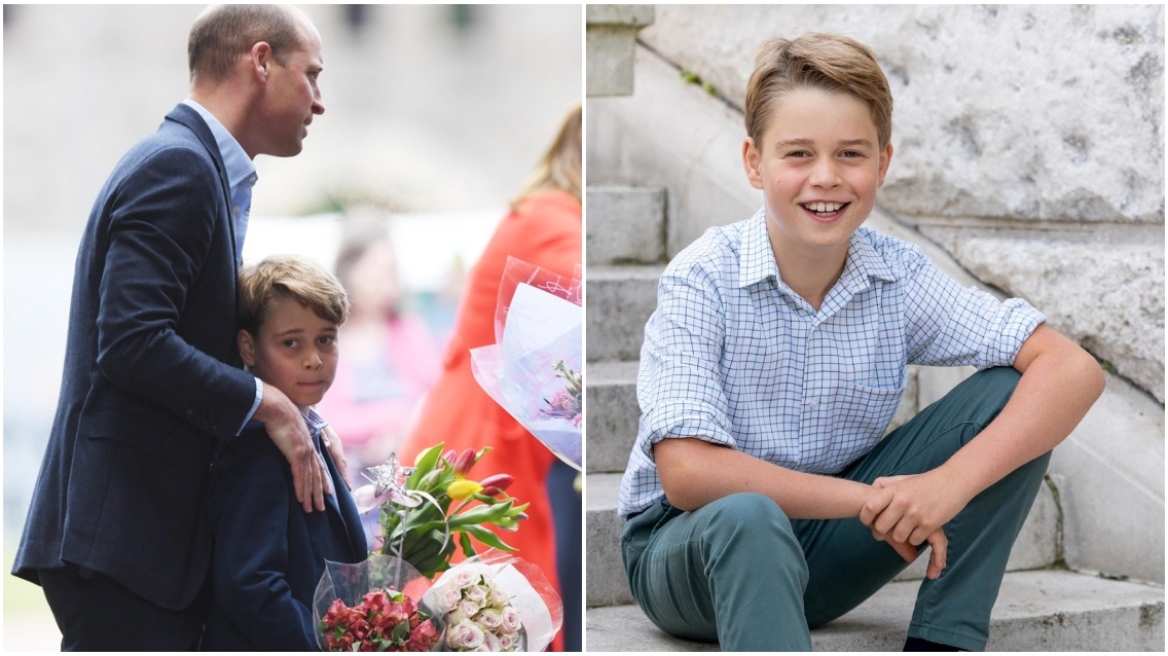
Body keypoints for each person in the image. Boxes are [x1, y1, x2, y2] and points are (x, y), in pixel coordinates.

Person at [618, 34, 1105, 652]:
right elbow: (687, 472)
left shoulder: (895, 276)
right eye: (798, 153)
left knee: (1016, 396)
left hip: (821, 551)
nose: (826, 177)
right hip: (690, 554)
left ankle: (944, 640)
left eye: (850, 153)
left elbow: (1073, 369)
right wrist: (871, 501)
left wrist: (946, 486)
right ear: (753, 162)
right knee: (749, 515)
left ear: (882, 162)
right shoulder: (703, 278)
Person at [12, 5, 343, 650]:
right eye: (311, 75)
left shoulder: (195, 167)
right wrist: (268, 404)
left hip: (142, 548)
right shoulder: (179, 168)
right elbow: (132, 340)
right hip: (125, 546)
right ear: (261, 60)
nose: (319, 101)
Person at [397, 104, 583, 652]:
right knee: (485, 616)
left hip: (483, 438)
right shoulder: (551, 216)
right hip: (481, 448)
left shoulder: (537, 210)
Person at [201, 255, 367, 651]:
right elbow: (250, 585)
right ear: (249, 347)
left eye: (326, 339)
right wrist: (322, 646)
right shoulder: (258, 448)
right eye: (291, 343)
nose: (313, 358)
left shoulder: (312, 432)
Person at [316, 222, 442, 491]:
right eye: (377, 272)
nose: (387, 283)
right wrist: (389, 425)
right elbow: (322, 417)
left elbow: (437, 401)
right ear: (349, 271)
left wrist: (402, 436)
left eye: (392, 272)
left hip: (411, 481)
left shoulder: (407, 329)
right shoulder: (327, 337)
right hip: (346, 485)